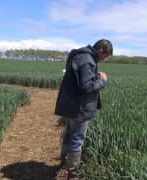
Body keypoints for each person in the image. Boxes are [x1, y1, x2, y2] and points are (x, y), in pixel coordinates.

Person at [54, 39, 113, 179]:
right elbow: (86, 87)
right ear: (100, 51)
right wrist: (102, 81)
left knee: (69, 133)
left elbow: (79, 80)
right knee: (77, 138)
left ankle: (63, 162)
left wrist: (94, 77)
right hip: (78, 107)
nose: (104, 59)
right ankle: (72, 174)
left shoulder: (79, 56)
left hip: (68, 104)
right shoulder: (88, 60)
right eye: (105, 56)